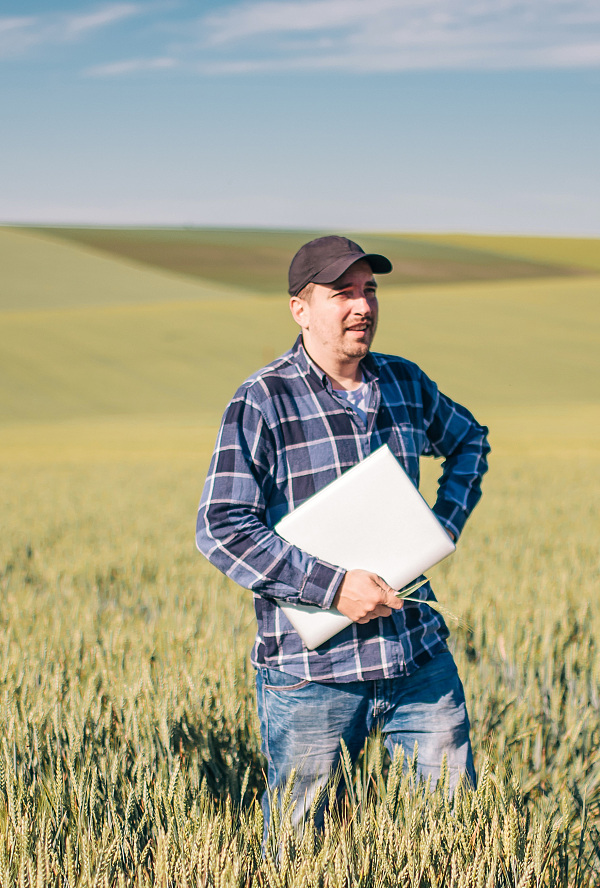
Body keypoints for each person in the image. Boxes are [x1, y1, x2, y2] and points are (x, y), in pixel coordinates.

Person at [196, 234, 490, 844]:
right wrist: (333, 588)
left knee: (452, 834)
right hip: (314, 671)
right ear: (300, 308)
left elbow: (470, 441)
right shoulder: (263, 400)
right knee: (304, 848)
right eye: (342, 294)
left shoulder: (405, 383)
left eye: (370, 291)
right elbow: (221, 526)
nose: (363, 306)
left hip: (415, 654)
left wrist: (440, 530)